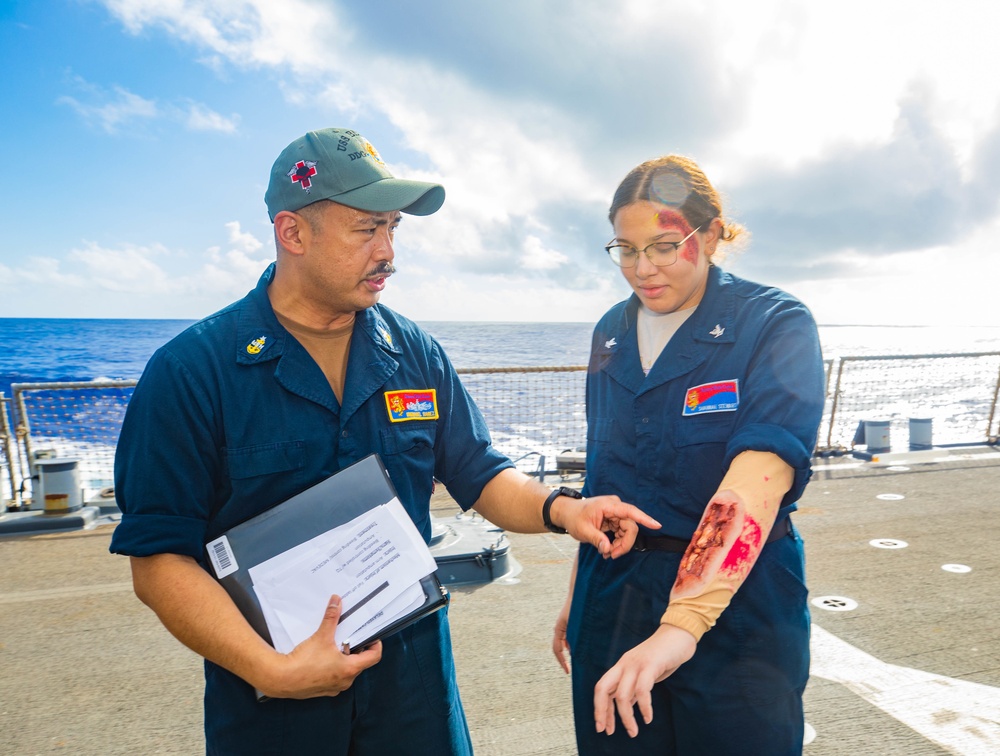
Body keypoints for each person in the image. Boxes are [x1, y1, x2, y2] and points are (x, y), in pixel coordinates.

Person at [109, 127, 659, 756]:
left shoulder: (414, 353)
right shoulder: (193, 372)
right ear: (293, 233)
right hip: (274, 710)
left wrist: (564, 509)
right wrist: (270, 671)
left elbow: (477, 470)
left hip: (414, 692)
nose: (388, 251)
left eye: (393, 228)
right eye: (366, 230)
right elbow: (159, 562)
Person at [550, 155, 825, 755]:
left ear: (713, 234)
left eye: (665, 246)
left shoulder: (774, 323)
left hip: (739, 610)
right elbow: (604, 473)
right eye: (625, 249)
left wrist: (682, 624)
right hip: (615, 592)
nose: (642, 269)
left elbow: (761, 476)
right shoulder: (610, 333)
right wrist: (578, 595)